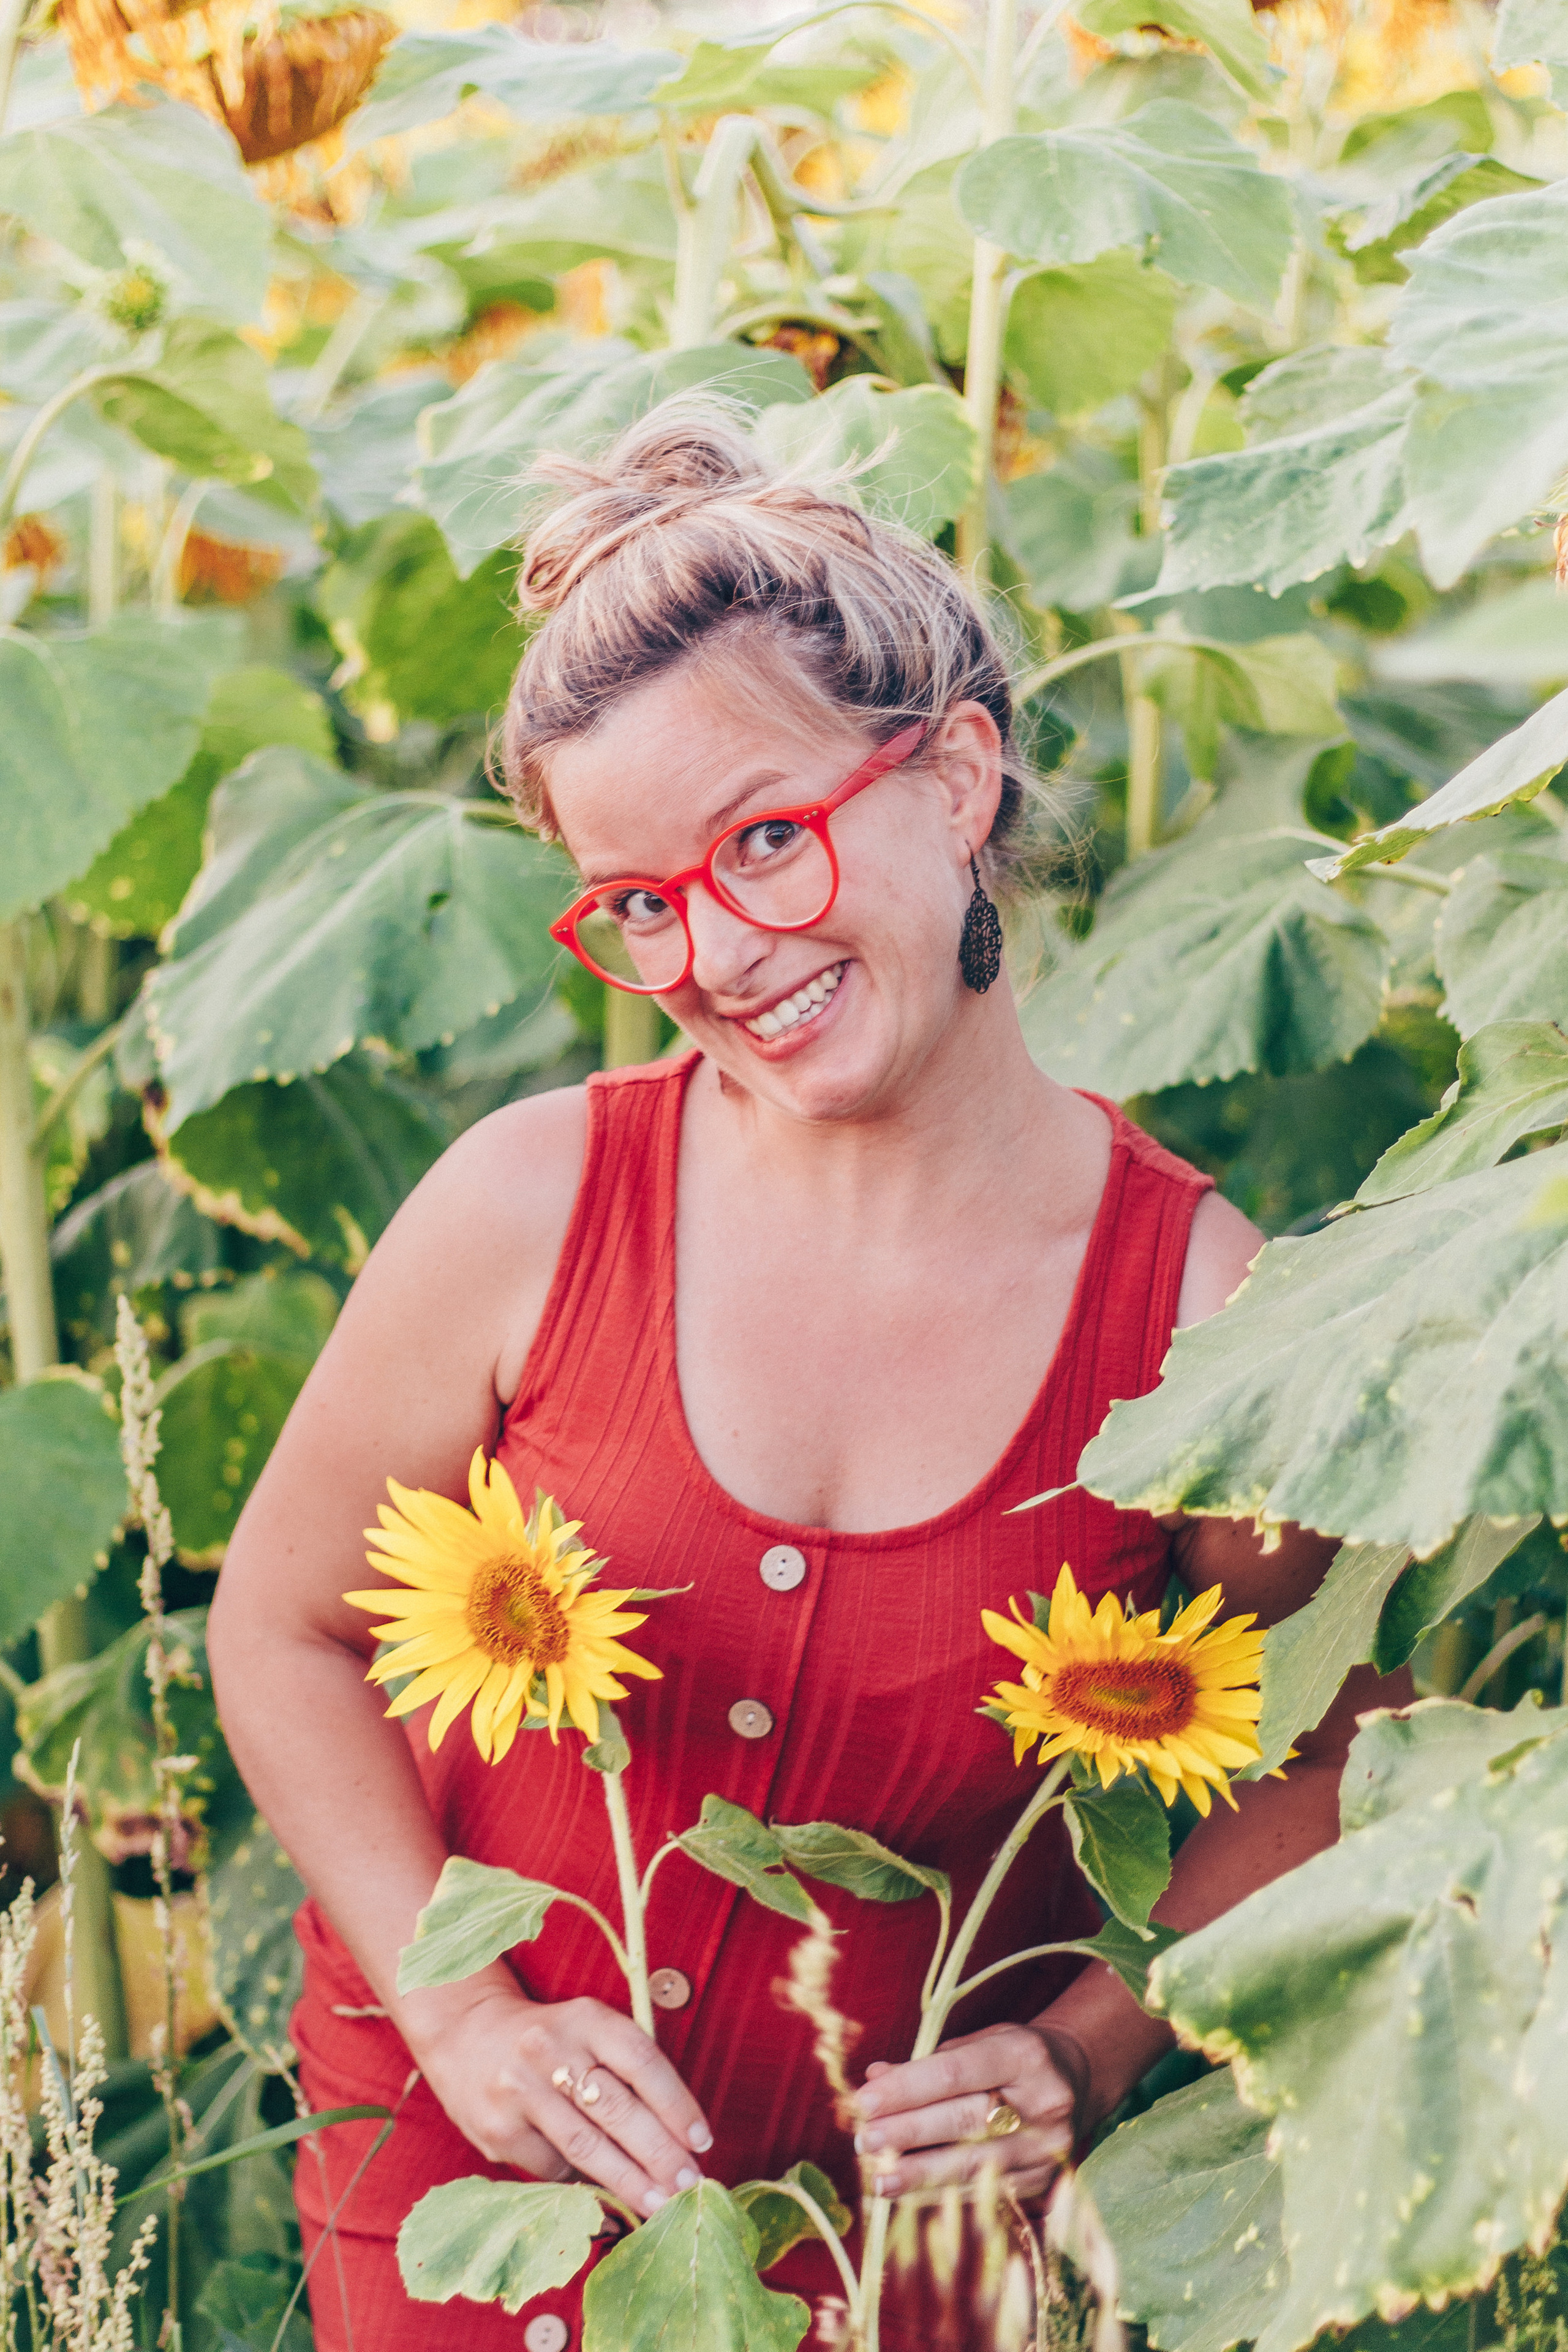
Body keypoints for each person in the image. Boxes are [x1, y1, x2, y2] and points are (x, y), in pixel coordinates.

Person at [208, 404, 1407, 2352]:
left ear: (956, 777)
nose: (716, 950)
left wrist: (1091, 2048)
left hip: (912, 2245)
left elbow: (1339, 1746)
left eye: (765, 838)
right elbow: (280, 1631)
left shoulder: (1202, 1320)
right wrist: (462, 2013)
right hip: (485, 2177)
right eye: (640, 900)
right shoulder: (528, 1208)